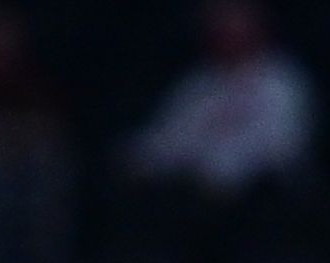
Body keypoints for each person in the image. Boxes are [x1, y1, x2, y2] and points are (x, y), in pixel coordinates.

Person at [122, 0, 317, 194]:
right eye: (219, 24)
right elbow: (167, 138)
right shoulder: (198, 82)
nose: (227, 32)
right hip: (188, 193)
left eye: (235, 22)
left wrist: (223, 164)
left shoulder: (283, 81)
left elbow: (283, 148)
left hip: (261, 196)